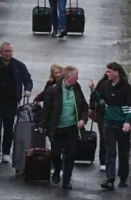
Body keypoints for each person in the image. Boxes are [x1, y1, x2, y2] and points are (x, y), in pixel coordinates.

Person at [0, 42, 33, 165]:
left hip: (11, 102)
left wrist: (27, 90)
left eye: (10, 51)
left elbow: (27, 79)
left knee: (9, 128)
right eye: (5, 51)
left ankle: (6, 153)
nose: (8, 53)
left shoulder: (19, 66)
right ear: (0, 52)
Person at [38, 65, 89, 190]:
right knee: (55, 154)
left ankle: (66, 180)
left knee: (71, 154)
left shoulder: (77, 88)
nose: (78, 77)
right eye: (76, 75)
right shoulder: (52, 91)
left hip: (72, 127)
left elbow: (84, 106)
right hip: (57, 129)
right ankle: (57, 170)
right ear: (68, 77)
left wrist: (83, 119)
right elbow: (46, 110)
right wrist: (42, 125)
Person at [89, 62, 131, 190]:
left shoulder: (127, 88)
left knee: (123, 152)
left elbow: (130, 107)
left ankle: (123, 178)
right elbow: (101, 101)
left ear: (116, 72)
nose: (106, 74)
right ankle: (110, 180)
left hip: (122, 124)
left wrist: (128, 121)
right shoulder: (105, 85)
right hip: (108, 123)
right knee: (110, 152)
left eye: (109, 71)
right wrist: (92, 90)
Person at [90, 74, 110, 172]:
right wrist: (91, 108)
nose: (107, 74)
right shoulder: (103, 83)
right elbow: (94, 96)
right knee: (103, 136)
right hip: (102, 114)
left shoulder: (123, 86)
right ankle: (104, 161)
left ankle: (108, 160)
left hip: (115, 114)